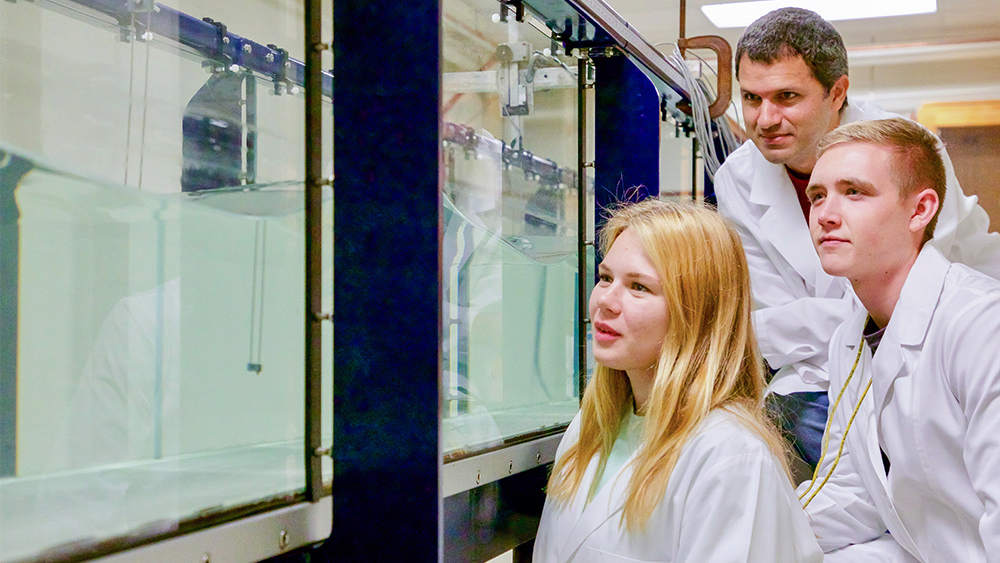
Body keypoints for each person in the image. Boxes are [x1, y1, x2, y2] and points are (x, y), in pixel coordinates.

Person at [714, 7, 1000, 469]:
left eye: (787, 96)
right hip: (814, 385)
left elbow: (919, 309)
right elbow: (767, 326)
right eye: (751, 98)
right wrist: (853, 322)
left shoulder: (905, 150)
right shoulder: (737, 180)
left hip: (940, 357)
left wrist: (818, 320)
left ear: (837, 92)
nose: (765, 118)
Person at [533, 199, 821, 562]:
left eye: (638, 287)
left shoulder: (730, 456)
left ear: (696, 313)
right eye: (605, 278)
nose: (606, 300)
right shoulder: (591, 430)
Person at [797, 117, 1000, 561]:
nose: (826, 214)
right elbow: (852, 492)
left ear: (920, 210)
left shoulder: (982, 325)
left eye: (855, 192)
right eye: (817, 195)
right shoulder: (851, 338)